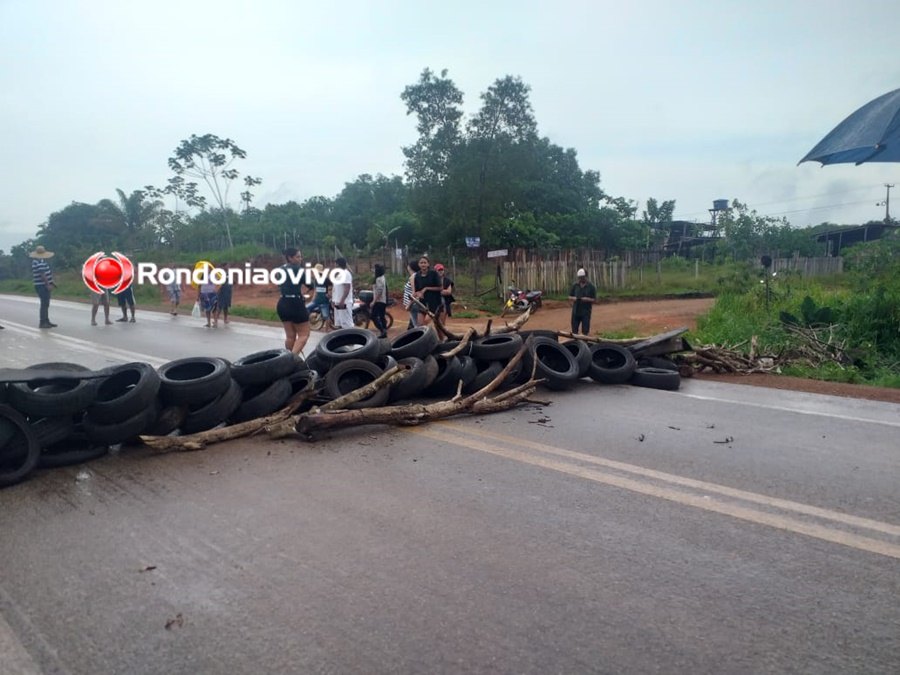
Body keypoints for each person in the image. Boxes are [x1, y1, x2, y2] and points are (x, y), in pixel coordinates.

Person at [276, 247, 310, 355]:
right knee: (304, 335)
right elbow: (310, 285)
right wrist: (305, 295)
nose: (300, 259)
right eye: (298, 257)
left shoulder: (280, 269)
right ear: (290, 258)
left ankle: (288, 357)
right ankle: (291, 359)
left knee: (290, 336)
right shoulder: (298, 269)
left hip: (282, 303)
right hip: (295, 303)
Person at [29, 245, 57, 328]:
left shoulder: (41, 261)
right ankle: (43, 322)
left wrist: (51, 282)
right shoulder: (38, 262)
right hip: (41, 285)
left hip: (42, 284)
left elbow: (46, 273)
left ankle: (46, 320)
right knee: (44, 304)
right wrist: (47, 284)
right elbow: (42, 274)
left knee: (46, 304)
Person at [413, 256, 442, 325]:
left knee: (428, 322)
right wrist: (418, 294)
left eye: (425, 263)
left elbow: (440, 288)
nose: (423, 264)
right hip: (422, 303)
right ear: (418, 264)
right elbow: (417, 290)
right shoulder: (417, 275)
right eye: (421, 263)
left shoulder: (433, 274)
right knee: (420, 324)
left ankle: (440, 335)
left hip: (434, 303)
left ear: (428, 264)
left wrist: (426, 288)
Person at [568, 268, 597, 335]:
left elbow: (595, 300)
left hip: (586, 312)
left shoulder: (591, 287)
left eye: (582, 278)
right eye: (579, 278)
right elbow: (569, 296)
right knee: (574, 331)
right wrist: (574, 298)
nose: (580, 279)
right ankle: (576, 344)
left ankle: (584, 344)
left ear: (586, 276)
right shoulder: (575, 285)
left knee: (585, 331)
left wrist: (587, 299)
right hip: (576, 311)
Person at [305, 263, 332, 327]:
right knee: (306, 308)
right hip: (317, 300)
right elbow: (315, 291)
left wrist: (329, 294)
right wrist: (312, 300)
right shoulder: (316, 280)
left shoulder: (326, 279)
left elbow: (331, 286)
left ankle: (327, 331)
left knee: (326, 316)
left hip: (324, 301)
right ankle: (310, 321)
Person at [331, 257, 354, 329]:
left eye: (336, 265)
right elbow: (336, 289)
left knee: (347, 324)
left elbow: (347, 288)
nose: (335, 266)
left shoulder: (346, 274)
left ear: (338, 265)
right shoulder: (339, 275)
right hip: (338, 302)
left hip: (344, 302)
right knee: (339, 324)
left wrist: (342, 300)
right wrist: (334, 300)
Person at [371, 263, 389, 338]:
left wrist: (373, 301)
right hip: (383, 300)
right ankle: (384, 332)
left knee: (373, 316)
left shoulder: (378, 279)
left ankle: (382, 330)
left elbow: (379, 291)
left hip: (379, 301)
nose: (373, 270)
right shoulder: (382, 277)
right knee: (381, 316)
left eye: (374, 269)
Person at [402, 261, 419, 329]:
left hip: (413, 304)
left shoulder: (413, 276)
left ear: (411, 267)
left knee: (416, 325)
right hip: (415, 303)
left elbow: (414, 293)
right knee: (414, 324)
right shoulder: (417, 275)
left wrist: (409, 305)